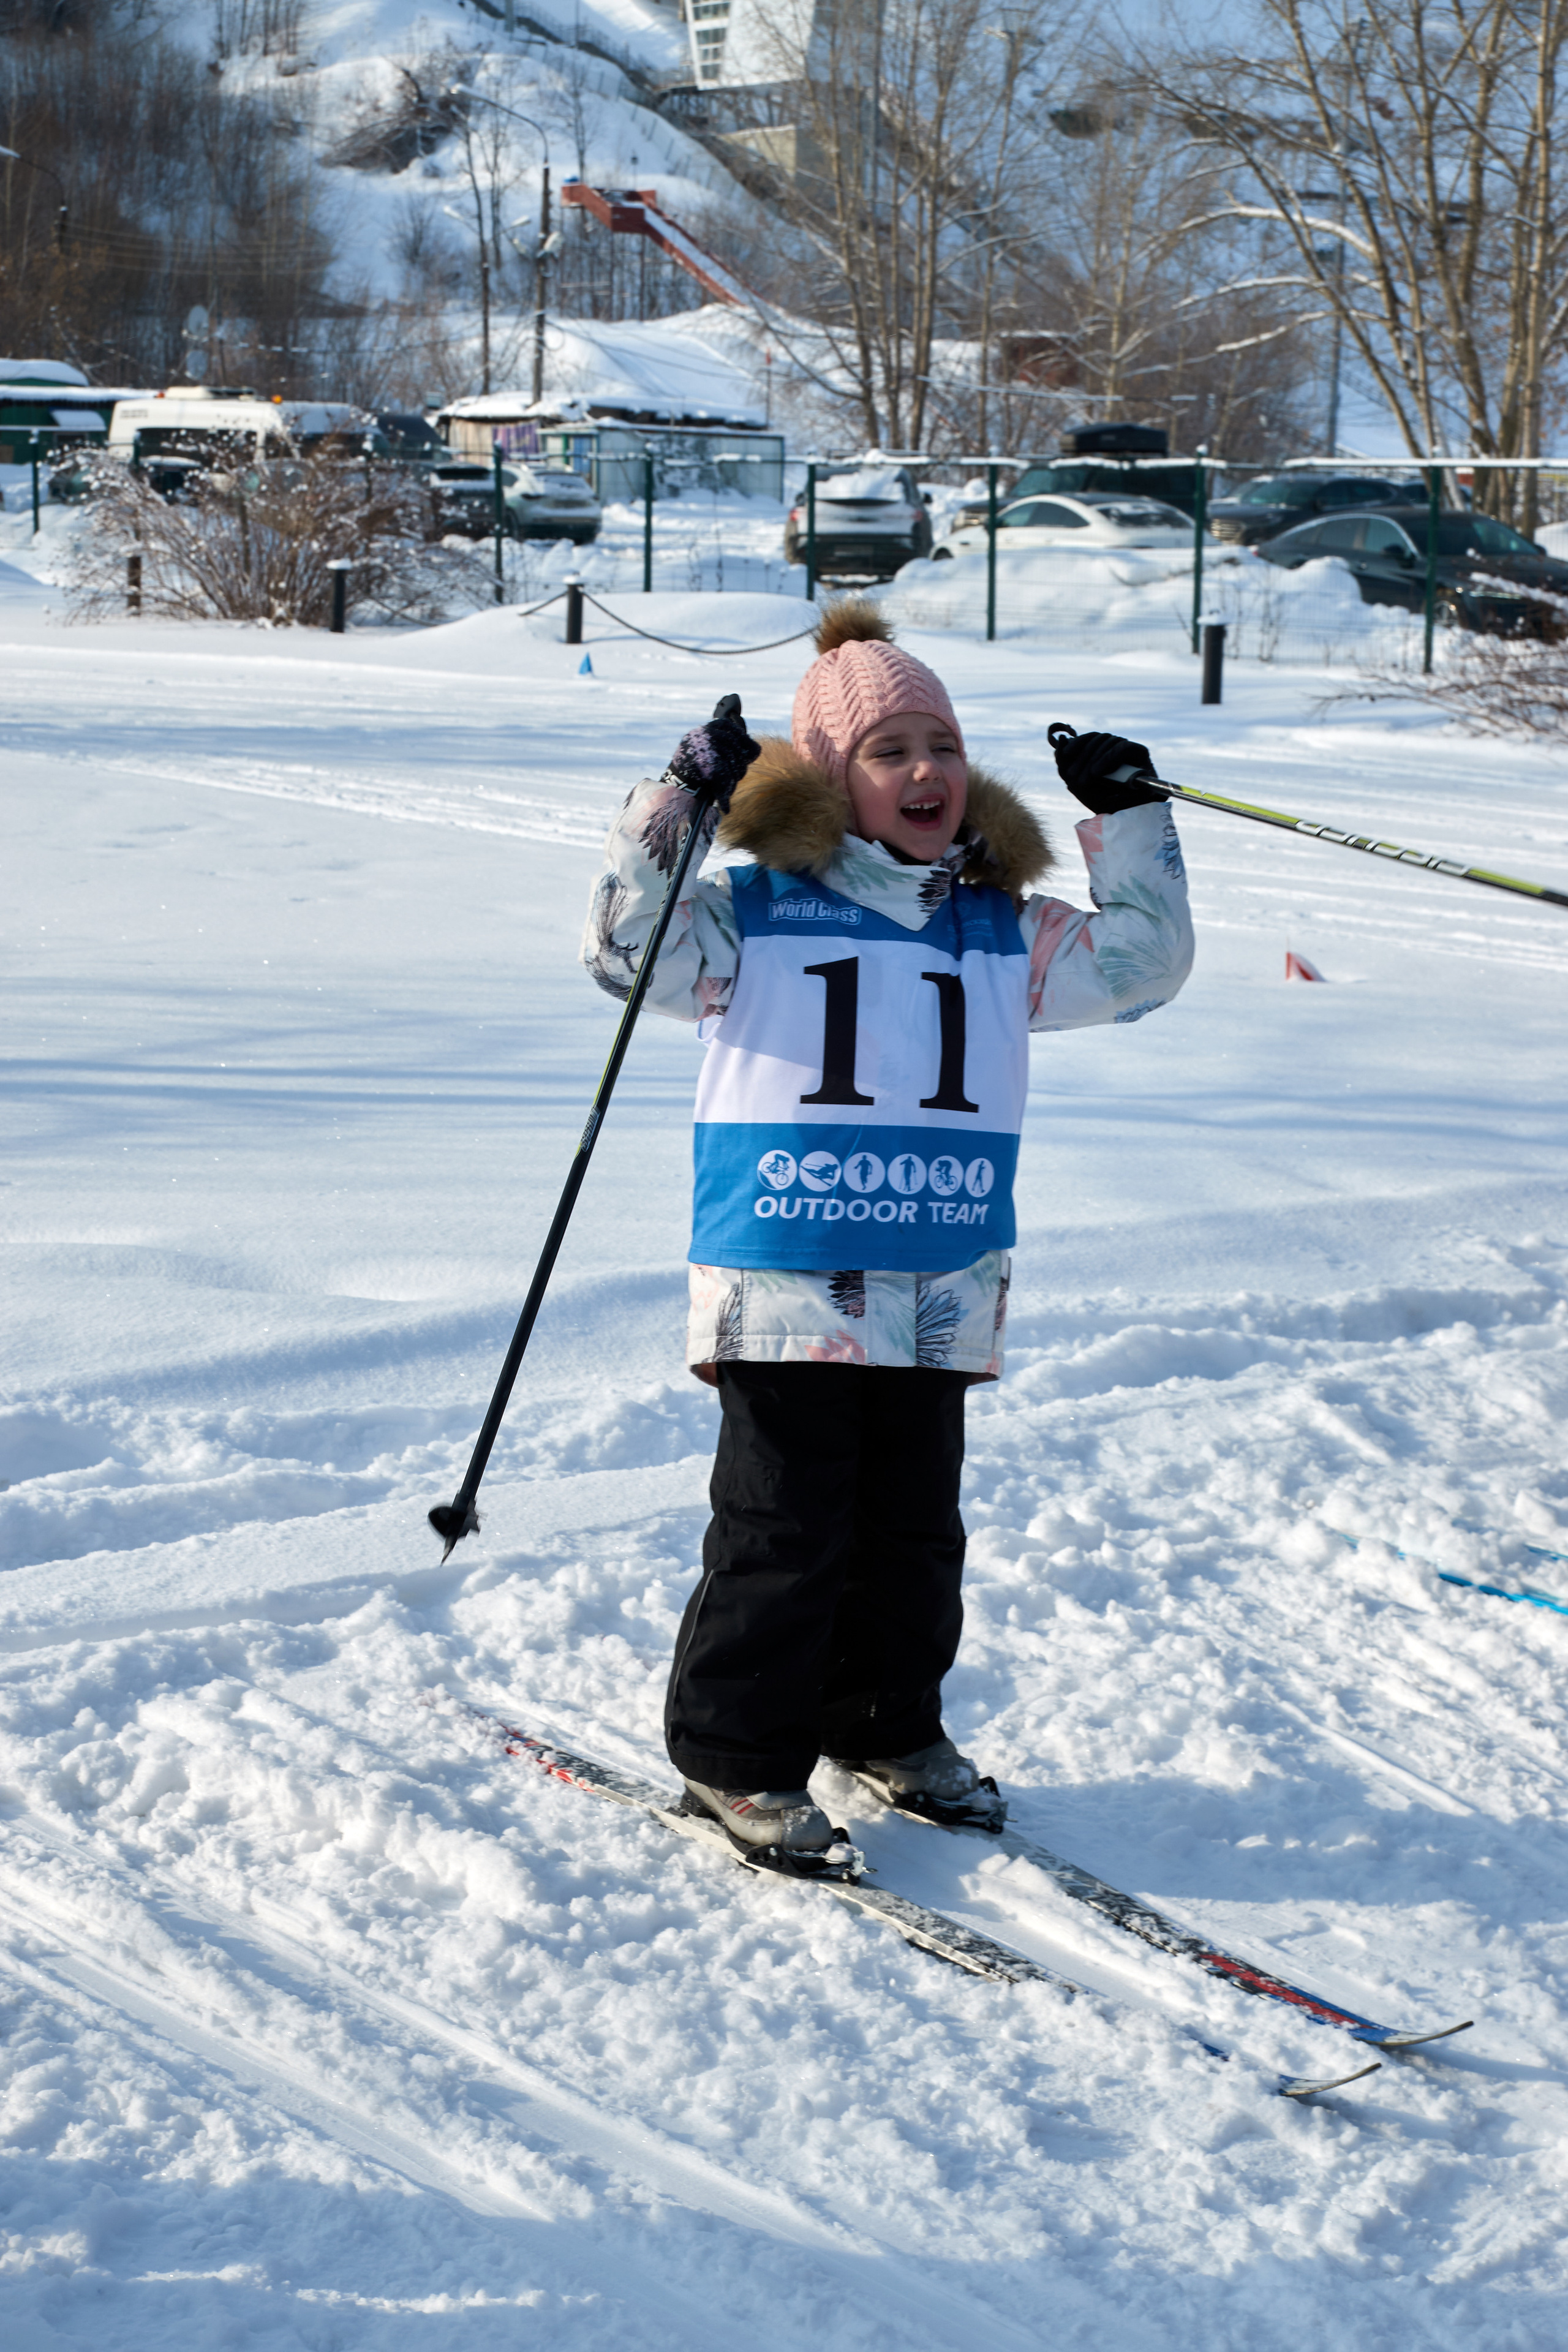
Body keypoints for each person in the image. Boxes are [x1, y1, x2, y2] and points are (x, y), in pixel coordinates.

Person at [582, 601, 1193, 1871]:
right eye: (886, 749)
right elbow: (620, 945)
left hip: (940, 1269)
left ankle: (882, 1726)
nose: (924, 771)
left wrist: (1128, 817)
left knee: (913, 1531)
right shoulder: (752, 913)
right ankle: (733, 1755)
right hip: (784, 1262)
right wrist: (676, 803)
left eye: (941, 745)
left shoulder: (998, 924)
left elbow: (1141, 965)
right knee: (784, 1526)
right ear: (822, 775)